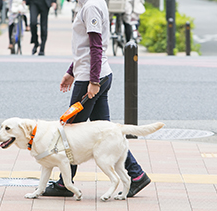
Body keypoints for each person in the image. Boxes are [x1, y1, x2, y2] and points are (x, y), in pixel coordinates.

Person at [42, 0, 151, 198]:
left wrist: (92, 81)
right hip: (96, 74)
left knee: (69, 130)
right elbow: (84, 47)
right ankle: (136, 175)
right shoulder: (91, 3)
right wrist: (71, 71)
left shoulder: (91, 5)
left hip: (92, 78)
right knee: (108, 132)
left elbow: (95, 46)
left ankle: (65, 184)